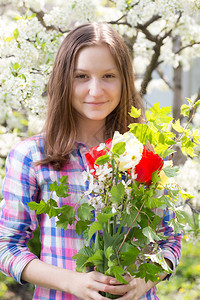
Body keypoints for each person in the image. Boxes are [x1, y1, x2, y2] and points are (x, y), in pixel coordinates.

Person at [0, 22, 181, 300]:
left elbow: (169, 240)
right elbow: (7, 247)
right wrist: (72, 282)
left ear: (125, 80)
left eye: (108, 76)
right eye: (81, 76)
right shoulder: (31, 156)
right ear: (63, 80)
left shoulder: (145, 155)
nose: (95, 91)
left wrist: (142, 282)